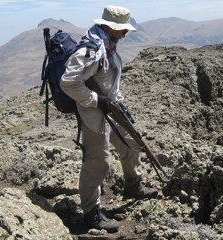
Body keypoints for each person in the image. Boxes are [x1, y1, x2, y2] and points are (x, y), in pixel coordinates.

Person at [60, 5, 158, 233]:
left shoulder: (108, 46)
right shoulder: (91, 50)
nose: (125, 34)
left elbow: (110, 83)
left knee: (132, 144)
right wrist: (97, 101)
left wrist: (118, 103)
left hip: (112, 109)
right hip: (94, 114)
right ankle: (90, 213)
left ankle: (133, 185)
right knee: (99, 162)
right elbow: (68, 83)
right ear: (109, 27)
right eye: (122, 30)